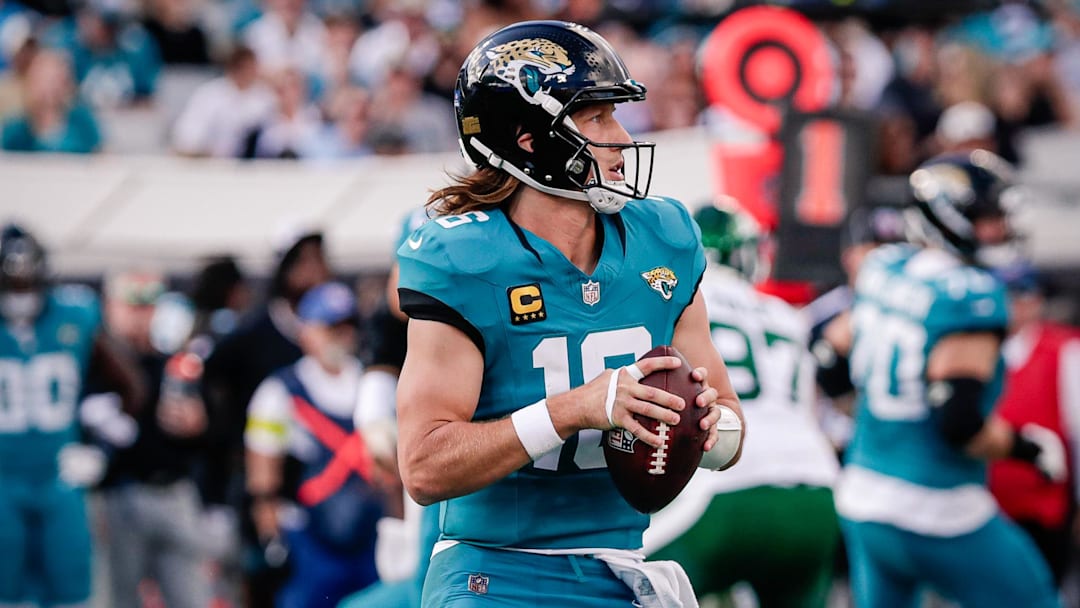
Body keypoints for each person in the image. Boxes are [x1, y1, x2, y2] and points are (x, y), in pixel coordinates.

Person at [394, 21, 744, 607]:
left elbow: (730, 425)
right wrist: (573, 410)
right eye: (599, 118)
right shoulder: (467, 259)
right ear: (529, 138)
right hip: (495, 576)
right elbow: (424, 468)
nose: (624, 139)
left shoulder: (664, 237)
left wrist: (708, 430)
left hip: (620, 570)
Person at [831, 150, 1063, 607]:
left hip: (863, 498)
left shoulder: (883, 267)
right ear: (949, 219)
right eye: (989, 217)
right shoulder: (970, 295)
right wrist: (1028, 448)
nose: (1000, 229)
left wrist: (882, 419)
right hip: (937, 506)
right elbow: (959, 424)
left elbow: (829, 361)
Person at [646, 205, 840, 607]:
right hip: (815, 490)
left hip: (724, 490)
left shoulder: (673, 300)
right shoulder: (785, 316)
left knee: (625, 587)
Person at [0, 223, 144, 608]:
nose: (20, 293)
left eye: (27, 282)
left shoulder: (74, 316)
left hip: (59, 476)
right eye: (12, 284)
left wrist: (100, 447)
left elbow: (130, 387)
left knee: (71, 593)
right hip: (3, 479)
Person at [201, 227, 332, 608]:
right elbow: (207, 375)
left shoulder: (339, 323)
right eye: (303, 262)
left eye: (319, 260)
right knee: (268, 583)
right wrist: (219, 434)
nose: (315, 272)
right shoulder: (252, 332)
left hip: (324, 485)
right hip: (268, 484)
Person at [244, 281, 384, 608]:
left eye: (348, 326)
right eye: (331, 327)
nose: (342, 335)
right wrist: (271, 534)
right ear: (306, 332)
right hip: (308, 536)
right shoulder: (279, 391)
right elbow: (262, 470)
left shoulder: (372, 381)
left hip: (370, 532)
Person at [92, 268, 214, 608]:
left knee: (191, 596)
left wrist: (198, 426)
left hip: (174, 492)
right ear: (111, 306)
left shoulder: (173, 361)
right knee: (119, 598)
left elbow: (208, 435)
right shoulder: (95, 361)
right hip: (118, 497)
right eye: (131, 305)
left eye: (148, 305)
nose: (140, 315)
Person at [988, 262, 1080, 585]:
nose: (1015, 305)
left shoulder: (1064, 349)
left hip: (1043, 512)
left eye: (1023, 295)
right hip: (982, 510)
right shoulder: (973, 348)